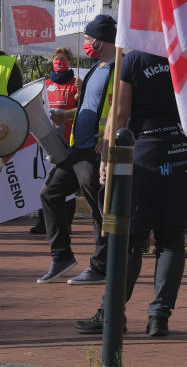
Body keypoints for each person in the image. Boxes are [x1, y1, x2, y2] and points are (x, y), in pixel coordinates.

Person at [74, 51, 187, 337]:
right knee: (171, 238)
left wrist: (107, 155)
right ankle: (158, 317)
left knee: (130, 238)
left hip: (148, 152)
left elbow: (120, 113)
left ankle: (112, 313)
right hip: (186, 153)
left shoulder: (134, 59)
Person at [39, 15, 116, 285]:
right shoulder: (96, 67)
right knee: (50, 193)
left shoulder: (120, 69)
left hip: (97, 152)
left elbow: (124, 110)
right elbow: (87, 107)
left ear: (98, 39)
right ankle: (62, 257)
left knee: (98, 208)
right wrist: (66, 114)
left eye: (87, 38)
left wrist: (110, 136)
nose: (85, 43)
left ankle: (102, 266)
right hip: (77, 149)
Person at [29, 48, 79, 235]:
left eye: (63, 59)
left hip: (69, 141)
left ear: (70, 62)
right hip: (47, 141)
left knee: (68, 184)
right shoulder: (45, 84)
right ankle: (44, 222)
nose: (59, 62)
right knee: (46, 183)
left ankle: (66, 222)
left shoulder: (76, 85)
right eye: (57, 59)